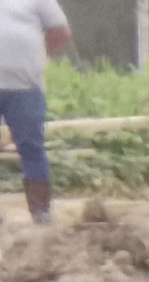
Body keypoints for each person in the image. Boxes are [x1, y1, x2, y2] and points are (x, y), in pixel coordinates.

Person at [0, 0, 67, 224]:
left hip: (26, 88)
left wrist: (37, 54)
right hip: (25, 87)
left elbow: (60, 32)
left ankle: (40, 213)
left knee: (31, 148)